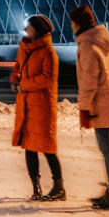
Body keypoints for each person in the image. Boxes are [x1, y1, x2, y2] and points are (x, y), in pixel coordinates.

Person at [71, 3, 109, 210]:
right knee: (107, 149)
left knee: (107, 149)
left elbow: (88, 82)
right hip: (108, 101)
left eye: (72, 23)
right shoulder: (100, 40)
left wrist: (84, 109)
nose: (71, 26)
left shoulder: (88, 45)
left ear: (78, 24)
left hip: (100, 104)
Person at [10, 15, 65, 201]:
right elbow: (19, 64)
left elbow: (47, 78)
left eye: (29, 27)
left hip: (42, 106)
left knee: (47, 147)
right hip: (27, 105)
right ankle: (36, 188)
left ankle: (59, 187)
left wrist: (24, 85)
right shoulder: (25, 46)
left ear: (38, 29)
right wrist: (14, 77)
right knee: (29, 146)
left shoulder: (48, 52)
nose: (25, 30)